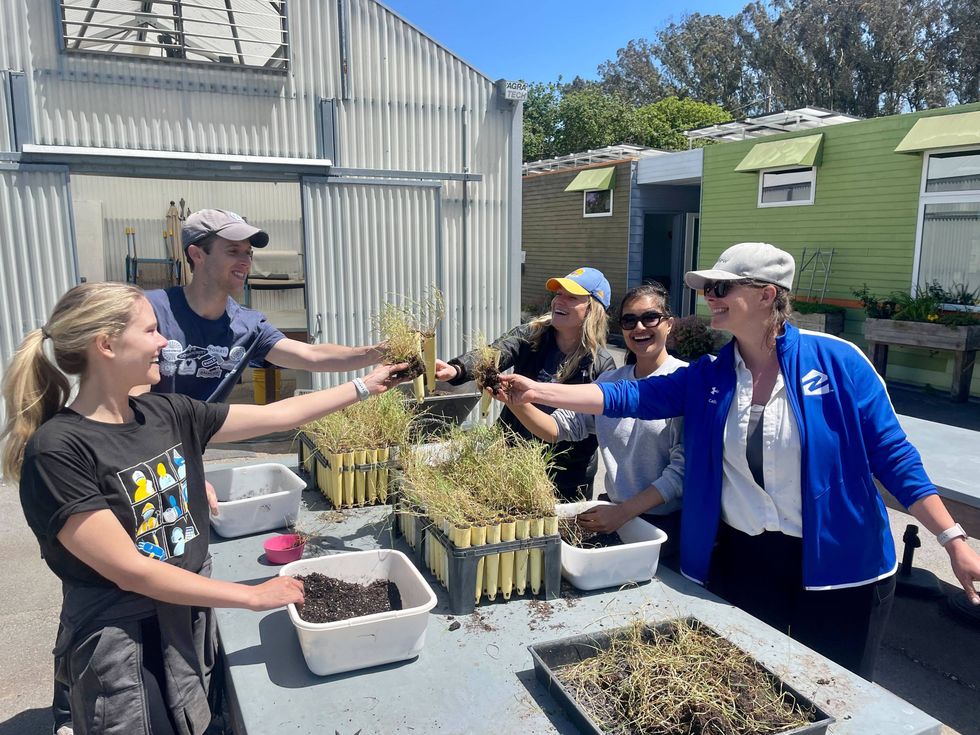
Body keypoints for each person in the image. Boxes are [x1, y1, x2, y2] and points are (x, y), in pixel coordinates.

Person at [498, 242, 980, 680]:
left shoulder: (838, 361)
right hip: (747, 561)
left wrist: (953, 539)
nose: (709, 295)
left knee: (837, 691)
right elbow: (625, 396)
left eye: (721, 287)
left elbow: (894, 457)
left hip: (841, 566)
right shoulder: (709, 375)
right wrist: (536, 389)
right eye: (708, 288)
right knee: (753, 684)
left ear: (768, 295)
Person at [1, 282, 407, 735]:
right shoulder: (58, 451)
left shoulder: (167, 412)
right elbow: (130, 571)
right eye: (152, 331)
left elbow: (279, 416)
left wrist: (366, 386)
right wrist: (252, 596)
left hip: (187, 612)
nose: (164, 342)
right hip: (123, 638)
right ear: (106, 344)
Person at [497, 283, 686, 568]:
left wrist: (623, 512)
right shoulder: (610, 382)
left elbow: (681, 473)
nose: (639, 327)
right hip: (613, 514)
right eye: (629, 320)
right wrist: (514, 401)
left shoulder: (686, 380)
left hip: (663, 527)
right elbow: (556, 428)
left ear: (669, 324)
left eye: (650, 317)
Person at [147, 208, 382, 402]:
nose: (246, 262)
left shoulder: (248, 327)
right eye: (233, 251)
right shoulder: (151, 310)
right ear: (197, 255)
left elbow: (311, 355)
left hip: (189, 452)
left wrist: (377, 353)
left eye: (248, 253)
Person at [435, 268, 616, 501]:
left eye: (571, 297)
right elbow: (497, 352)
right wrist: (457, 369)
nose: (559, 301)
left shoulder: (600, 365)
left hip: (565, 476)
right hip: (512, 456)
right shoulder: (533, 334)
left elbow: (576, 428)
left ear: (593, 310)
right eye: (558, 294)